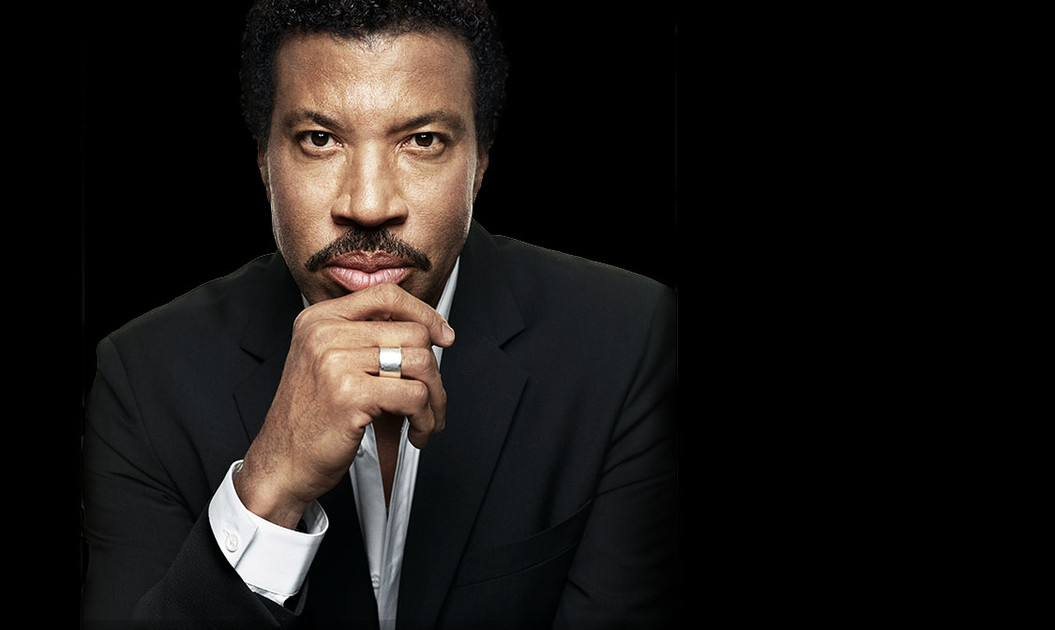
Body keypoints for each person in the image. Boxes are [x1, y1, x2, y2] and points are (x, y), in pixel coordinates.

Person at [79, 1, 678, 628]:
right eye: (320, 140)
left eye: (422, 140)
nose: (368, 206)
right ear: (264, 162)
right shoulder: (142, 380)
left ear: (480, 164)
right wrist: (268, 493)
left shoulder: (631, 342)